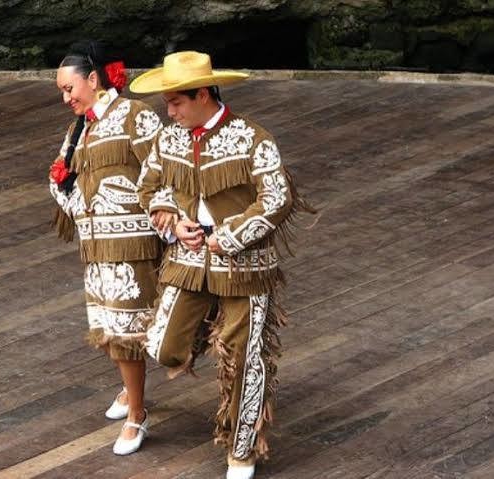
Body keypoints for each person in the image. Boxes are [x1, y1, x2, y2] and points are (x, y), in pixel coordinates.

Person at [131, 51, 314, 479]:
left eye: (175, 102)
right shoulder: (167, 138)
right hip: (186, 257)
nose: (169, 111)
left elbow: (277, 199)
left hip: (245, 267)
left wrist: (228, 236)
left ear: (202, 95)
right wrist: (174, 222)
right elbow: (148, 188)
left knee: (244, 359)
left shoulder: (253, 138)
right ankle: (207, 325)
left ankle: (241, 450)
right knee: (162, 345)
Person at [49, 40, 162, 456]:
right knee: (113, 330)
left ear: (93, 79)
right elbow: (62, 178)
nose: (66, 98)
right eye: (61, 91)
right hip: (97, 250)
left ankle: (138, 415)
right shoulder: (79, 128)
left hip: (134, 248)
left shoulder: (136, 115)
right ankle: (132, 394)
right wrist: (79, 202)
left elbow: (163, 172)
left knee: (129, 332)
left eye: (69, 88)